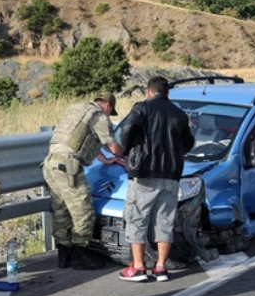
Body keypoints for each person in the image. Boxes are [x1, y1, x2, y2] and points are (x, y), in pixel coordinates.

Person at [118, 76, 195, 282]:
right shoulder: (179, 114)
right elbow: (188, 143)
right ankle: (161, 267)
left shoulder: (141, 108)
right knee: (165, 221)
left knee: (137, 218)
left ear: (148, 91)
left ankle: (138, 267)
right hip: (171, 175)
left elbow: (126, 129)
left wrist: (127, 151)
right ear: (167, 93)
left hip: (144, 173)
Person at [42, 92, 124, 270]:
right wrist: (127, 155)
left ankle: (64, 255)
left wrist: (105, 160)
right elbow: (113, 146)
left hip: (50, 163)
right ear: (108, 106)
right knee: (83, 209)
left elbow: (84, 142)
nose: (109, 115)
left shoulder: (77, 109)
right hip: (68, 166)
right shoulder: (99, 116)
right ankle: (80, 254)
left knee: (61, 209)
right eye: (111, 111)